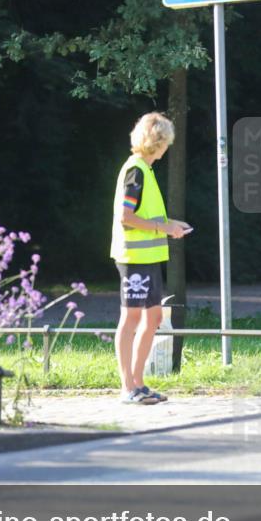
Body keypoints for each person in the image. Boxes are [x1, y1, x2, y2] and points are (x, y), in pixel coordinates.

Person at [110, 112, 191, 405]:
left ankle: (139, 384)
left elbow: (146, 216)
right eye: (166, 142)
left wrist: (171, 224)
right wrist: (164, 228)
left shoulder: (145, 170)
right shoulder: (136, 171)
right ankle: (128, 388)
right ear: (156, 142)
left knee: (154, 318)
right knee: (131, 318)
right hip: (134, 257)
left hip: (148, 257)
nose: (167, 147)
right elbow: (126, 217)